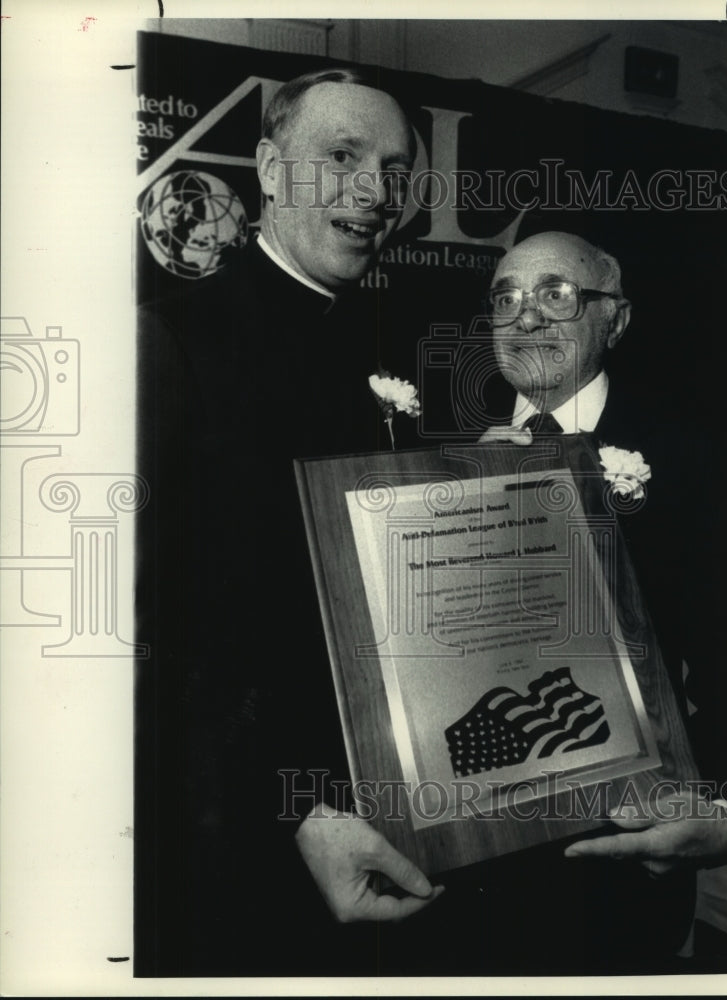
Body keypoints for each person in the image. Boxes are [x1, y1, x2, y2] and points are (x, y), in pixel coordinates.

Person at [295, 231, 727, 975]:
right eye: (504, 297)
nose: (524, 315)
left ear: (616, 319)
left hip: (613, 881)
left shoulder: (703, 458)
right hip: (435, 884)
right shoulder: (415, 440)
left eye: (555, 293)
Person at [135, 66, 425, 976]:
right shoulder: (170, 339)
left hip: (385, 808)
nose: (374, 192)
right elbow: (146, 636)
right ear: (266, 167)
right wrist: (292, 806)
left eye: (392, 167)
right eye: (340, 157)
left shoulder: (389, 347)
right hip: (237, 835)